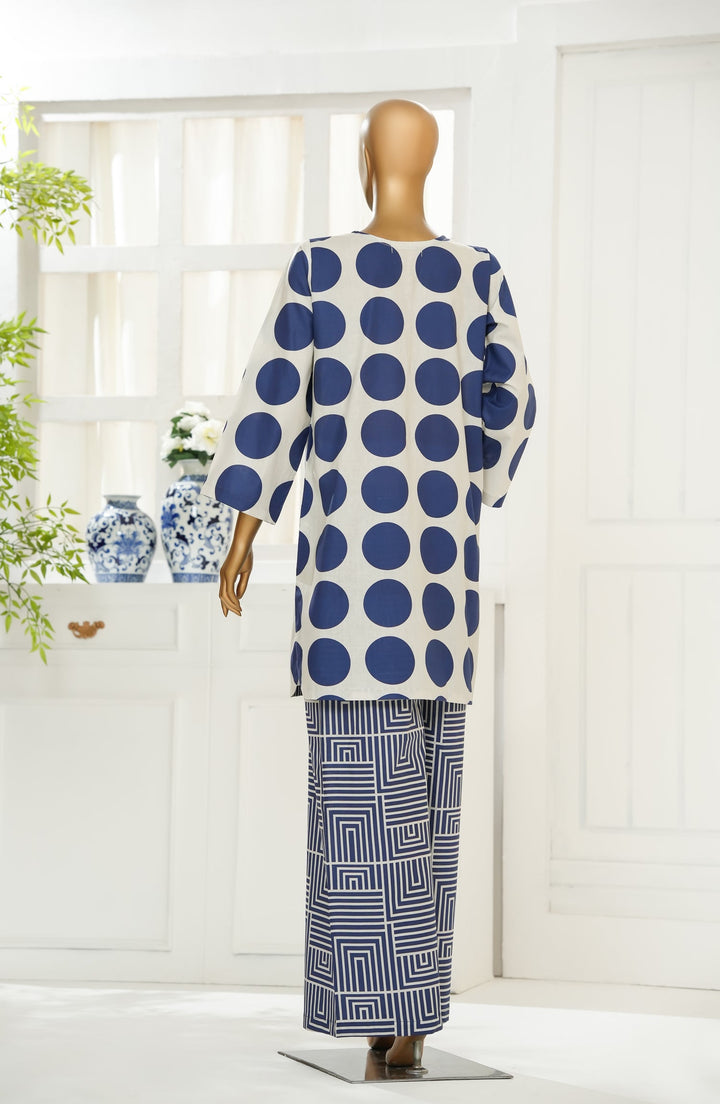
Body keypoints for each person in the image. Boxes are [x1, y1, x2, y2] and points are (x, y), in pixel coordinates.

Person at [199, 97, 536, 1070]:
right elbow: (514, 405)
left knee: (358, 790)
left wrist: (246, 527)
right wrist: (458, 485)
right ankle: (412, 1016)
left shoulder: (322, 267)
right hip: (441, 582)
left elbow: (275, 400)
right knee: (428, 794)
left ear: (366, 164)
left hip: (349, 581)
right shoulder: (478, 276)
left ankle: (390, 1014)